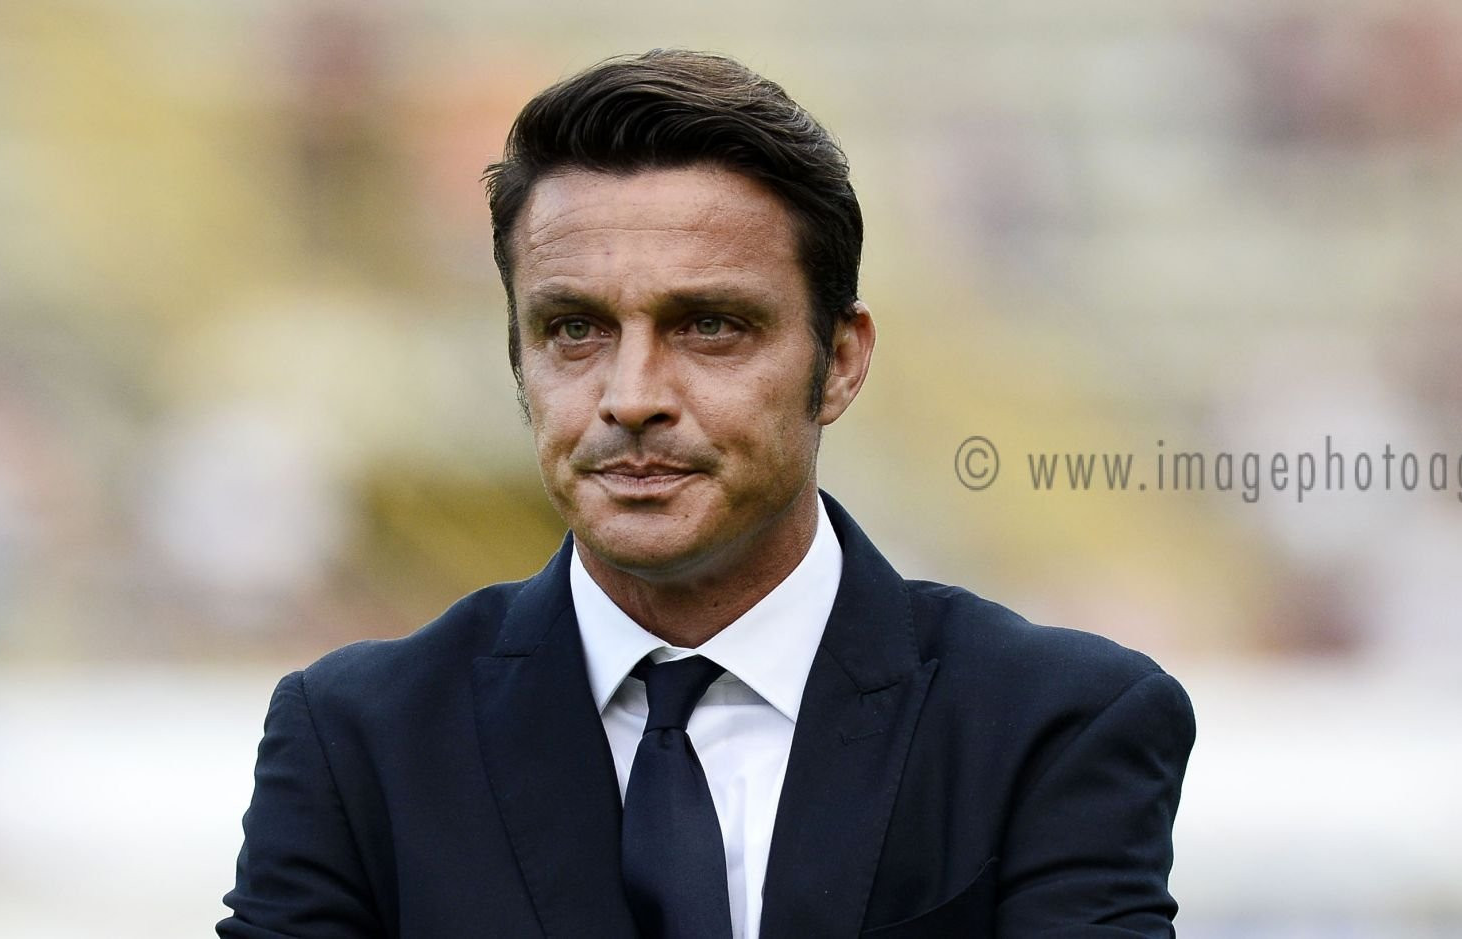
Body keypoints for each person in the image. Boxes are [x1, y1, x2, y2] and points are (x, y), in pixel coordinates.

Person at [218, 49, 1196, 939]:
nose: (631, 396)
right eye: (574, 329)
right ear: (517, 359)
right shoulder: (358, 741)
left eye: (710, 325)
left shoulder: (1052, 725)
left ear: (840, 361)